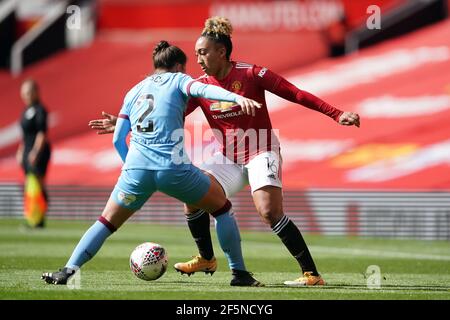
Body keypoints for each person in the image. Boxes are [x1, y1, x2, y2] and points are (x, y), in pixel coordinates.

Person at [89, 17, 361, 287]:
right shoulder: (200, 87)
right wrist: (122, 123)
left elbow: (295, 93)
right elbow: (165, 115)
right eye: (196, 53)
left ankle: (311, 275)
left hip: (261, 150)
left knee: (269, 212)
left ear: (221, 52)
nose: (198, 59)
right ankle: (207, 258)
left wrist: (336, 114)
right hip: (227, 158)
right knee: (192, 195)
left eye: (203, 52)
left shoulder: (251, 74)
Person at [42, 40, 264, 287]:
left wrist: (133, 169)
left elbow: (118, 138)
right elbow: (205, 91)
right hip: (173, 170)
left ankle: (69, 270)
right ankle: (239, 274)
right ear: (179, 65)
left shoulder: (134, 91)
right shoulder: (179, 79)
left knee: (105, 222)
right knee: (222, 209)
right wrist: (235, 97)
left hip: (136, 171)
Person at [16, 79, 52, 228]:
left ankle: (39, 219)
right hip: (27, 150)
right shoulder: (26, 111)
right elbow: (25, 135)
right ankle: (33, 217)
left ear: (36, 92)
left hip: (39, 152)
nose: (26, 96)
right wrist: (21, 151)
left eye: (29, 92)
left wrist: (36, 151)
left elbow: (41, 133)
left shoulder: (40, 110)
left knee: (38, 184)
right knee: (30, 185)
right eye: (24, 93)